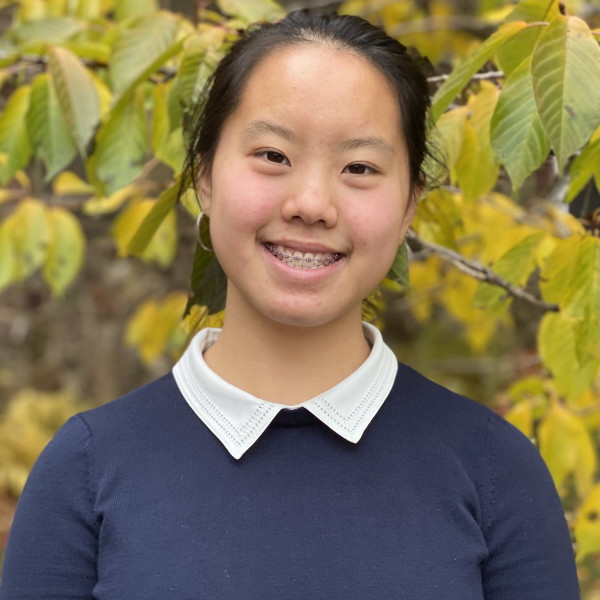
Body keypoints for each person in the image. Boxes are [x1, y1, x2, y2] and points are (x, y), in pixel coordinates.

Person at [0, 10, 579, 599]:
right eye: (274, 156)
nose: (311, 203)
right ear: (203, 175)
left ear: (409, 206)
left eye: (360, 167)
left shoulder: (495, 470)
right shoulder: (86, 469)